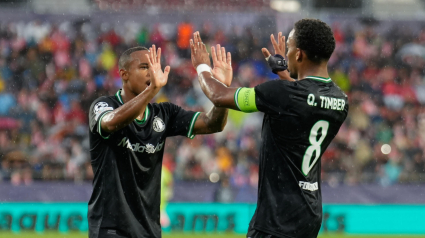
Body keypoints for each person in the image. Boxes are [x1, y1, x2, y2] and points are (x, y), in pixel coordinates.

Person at [190, 18, 349, 238]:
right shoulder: (340, 99)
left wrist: (202, 66)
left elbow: (218, 95)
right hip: (309, 215)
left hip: (276, 217)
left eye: (291, 47)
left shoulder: (280, 94)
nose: (288, 52)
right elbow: (306, 100)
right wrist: (285, 74)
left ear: (299, 54)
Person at [88, 45, 231, 238]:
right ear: (124, 74)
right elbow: (110, 123)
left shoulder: (165, 114)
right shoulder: (103, 105)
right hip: (111, 228)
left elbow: (213, 124)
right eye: (144, 67)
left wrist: (222, 94)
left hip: (150, 231)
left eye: (155, 66)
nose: (152, 72)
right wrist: (152, 90)